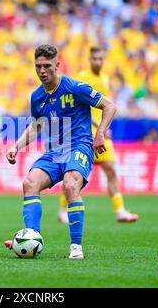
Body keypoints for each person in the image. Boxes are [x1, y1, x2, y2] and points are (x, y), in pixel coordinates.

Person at [4, 44, 117, 260]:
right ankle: (31, 237)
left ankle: (76, 248)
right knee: (29, 183)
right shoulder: (37, 96)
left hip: (80, 146)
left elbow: (109, 106)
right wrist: (16, 146)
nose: (42, 71)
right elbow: (37, 126)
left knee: (70, 184)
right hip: (55, 152)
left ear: (58, 65)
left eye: (47, 66)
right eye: (38, 66)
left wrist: (100, 133)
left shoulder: (75, 87)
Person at [57, 46, 139, 224]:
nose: (98, 62)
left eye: (101, 59)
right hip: (85, 133)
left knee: (110, 168)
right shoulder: (83, 78)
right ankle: (63, 210)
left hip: (101, 133)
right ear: (89, 59)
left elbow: (105, 106)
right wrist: (98, 126)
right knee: (74, 173)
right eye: (95, 59)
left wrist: (104, 127)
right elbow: (80, 107)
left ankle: (120, 211)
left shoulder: (104, 77)